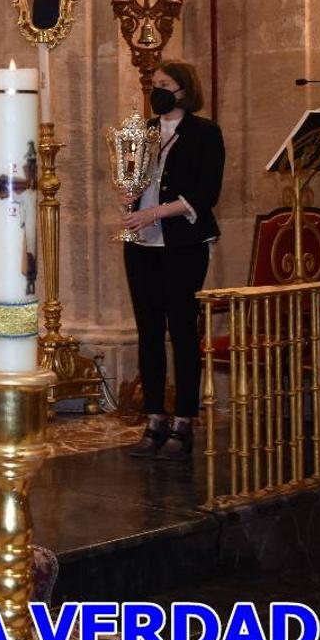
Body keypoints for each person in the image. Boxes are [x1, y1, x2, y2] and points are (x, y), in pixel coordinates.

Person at [121, 60, 225, 461]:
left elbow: (206, 193)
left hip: (183, 242)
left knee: (181, 329)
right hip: (141, 243)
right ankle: (154, 419)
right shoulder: (144, 131)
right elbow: (130, 176)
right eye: (154, 84)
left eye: (164, 85)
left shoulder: (204, 133)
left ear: (184, 90)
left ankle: (183, 422)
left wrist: (156, 212)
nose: (157, 91)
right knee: (148, 329)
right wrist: (129, 197)